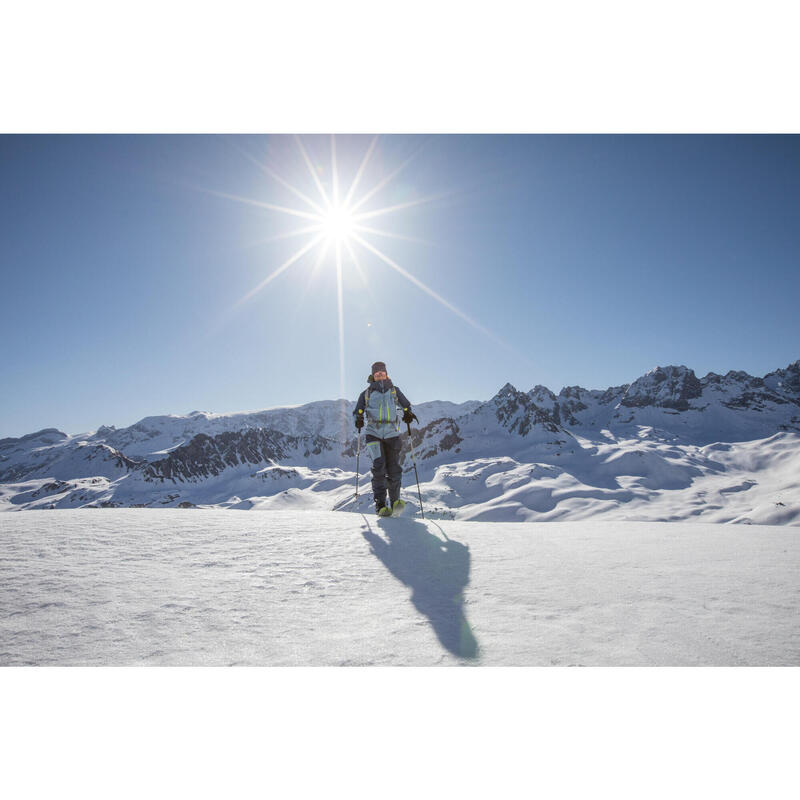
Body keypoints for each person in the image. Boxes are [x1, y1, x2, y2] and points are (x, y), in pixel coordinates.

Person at [353, 361, 418, 516]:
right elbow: (358, 410)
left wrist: (408, 413)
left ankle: (395, 502)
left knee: (394, 468)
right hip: (373, 433)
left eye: (382, 373)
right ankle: (381, 505)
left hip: (392, 433)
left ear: (386, 374)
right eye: (377, 374)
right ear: (373, 376)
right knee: (379, 467)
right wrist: (359, 418)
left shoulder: (394, 391)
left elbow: (406, 405)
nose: (380, 375)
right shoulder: (367, 393)